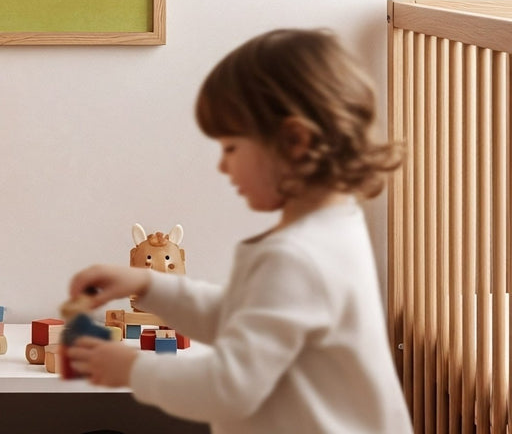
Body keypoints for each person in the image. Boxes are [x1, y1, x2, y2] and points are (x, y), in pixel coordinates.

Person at [66, 28, 411, 434]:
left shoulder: (296, 257)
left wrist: (132, 369)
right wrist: (148, 284)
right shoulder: (335, 228)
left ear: (294, 141)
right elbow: (243, 318)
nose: (222, 166)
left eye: (231, 147)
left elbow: (227, 387)